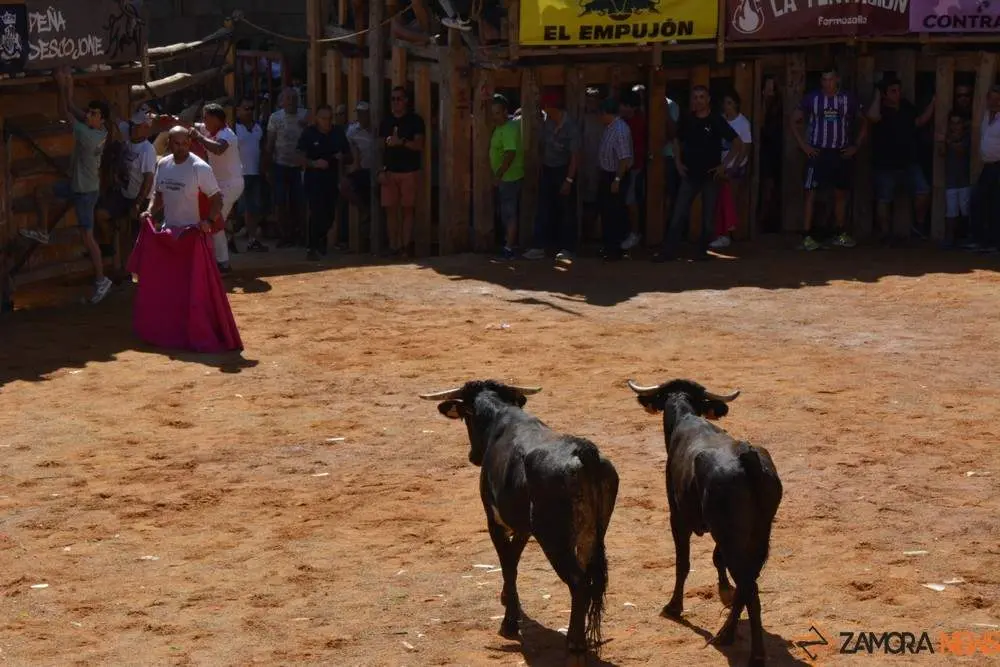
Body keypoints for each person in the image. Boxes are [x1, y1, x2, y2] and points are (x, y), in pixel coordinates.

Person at [26, 66, 112, 304]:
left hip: (85, 192)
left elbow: (64, 109)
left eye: (94, 113)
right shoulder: (98, 129)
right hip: (79, 185)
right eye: (90, 112)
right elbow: (73, 106)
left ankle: (101, 280)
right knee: (42, 192)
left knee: (88, 237)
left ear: (101, 119)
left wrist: (61, 84)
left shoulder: (88, 134)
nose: (90, 114)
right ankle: (43, 230)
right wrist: (68, 82)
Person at [654, 86, 741, 263]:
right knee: (678, 213)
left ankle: (702, 251)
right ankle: (668, 252)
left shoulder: (716, 120)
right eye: (695, 97)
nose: (698, 100)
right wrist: (678, 162)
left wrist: (723, 166)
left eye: (702, 97)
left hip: (710, 175)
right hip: (690, 174)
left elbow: (737, 143)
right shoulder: (687, 119)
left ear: (708, 99)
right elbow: (676, 139)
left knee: (708, 217)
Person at [791, 67, 866, 251]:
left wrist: (855, 146)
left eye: (830, 79)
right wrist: (804, 145)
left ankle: (839, 233)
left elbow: (864, 121)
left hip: (840, 152)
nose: (827, 84)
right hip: (818, 152)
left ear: (837, 80)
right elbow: (793, 119)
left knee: (840, 193)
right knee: (811, 192)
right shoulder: (813, 98)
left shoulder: (847, 99)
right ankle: (807, 236)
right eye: (824, 80)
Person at [866, 76, 934, 245]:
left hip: (909, 162)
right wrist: (877, 95)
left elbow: (919, 122)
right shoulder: (879, 108)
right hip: (885, 164)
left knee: (923, 191)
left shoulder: (906, 107)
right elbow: (872, 117)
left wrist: (934, 103)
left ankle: (918, 226)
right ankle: (885, 234)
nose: (897, 94)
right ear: (884, 94)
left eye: (898, 90)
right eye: (893, 91)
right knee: (884, 199)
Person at [524, 88, 578, 262]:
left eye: (546, 107)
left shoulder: (571, 126)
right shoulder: (546, 122)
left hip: (564, 170)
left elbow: (576, 156)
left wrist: (568, 180)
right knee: (543, 209)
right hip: (548, 169)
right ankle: (539, 246)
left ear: (553, 107)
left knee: (566, 211)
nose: (545, 110)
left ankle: (567, 249)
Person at [191, 103, 243, 272]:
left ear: (214, 119)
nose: (203, 121)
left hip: (230, 185)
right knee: (215, 220)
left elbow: (219, 149)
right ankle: (218, 261)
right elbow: (188, 125)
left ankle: (222, 263)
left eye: (205, 118)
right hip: (219, 185)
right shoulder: (208, 130)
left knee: (216, 220)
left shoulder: (227, 134)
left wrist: (198, 137)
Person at [297, 104, 352, 260]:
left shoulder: (338, 133)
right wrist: (314, 163)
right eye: (323, 118)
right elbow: (298, 156)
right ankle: (312, 247)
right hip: (314, 178)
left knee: (329, 215)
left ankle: (321, 238)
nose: (326, 122)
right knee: (316, 211)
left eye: (329, 118)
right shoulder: (309, 133)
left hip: (332, 178)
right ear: (316, 119)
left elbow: (349, 156)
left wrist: (342, 157)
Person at [96, 108, 157, 244]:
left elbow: (148, 179)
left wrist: (138, 203)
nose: (133, 128)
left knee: (138, 237)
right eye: (132, 125)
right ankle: (109, 244)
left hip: (140, 198)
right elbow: (115, 118)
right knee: (101, 214)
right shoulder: (128, 136)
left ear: (146, 128)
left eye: (137, 126)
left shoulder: (147, 150)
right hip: (125, 194)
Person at [379, 85, 426, 258]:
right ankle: (393, 246)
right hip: (390, 172)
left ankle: (405, 247)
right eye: (393, 99)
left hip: (409, 172)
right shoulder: (386, 121)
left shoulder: (415, 121)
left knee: (408, 210)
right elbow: (379, 147)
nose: (395, 102)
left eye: (399, 98)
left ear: (406, 101)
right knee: (390, 210)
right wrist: (380, 170)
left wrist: (402, 142)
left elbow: (419, 145)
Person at [265, 88, 309, 247]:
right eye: (288, 98)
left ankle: (301, 233)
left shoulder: (305, 115)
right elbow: (270, 143)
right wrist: (268, 167)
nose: (291, 101)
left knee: (300, 201)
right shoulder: (275, 118)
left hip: (300, 166)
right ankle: (285, 234)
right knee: (280, 201)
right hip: (280, 164)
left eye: (294, 98)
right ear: (281, 102)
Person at [710, 91, 753, 250]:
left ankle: (727, 235)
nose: (726, 106)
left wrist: (734, 168)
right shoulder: (720, 120)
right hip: (720, 166)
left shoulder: (743, 123)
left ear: (735, 104)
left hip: (735, 168)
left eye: (729, 103)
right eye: (724, 103)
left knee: (729, 201)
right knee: (719, 201)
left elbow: (745, 148)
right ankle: (720, 233)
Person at [596, 97, 632, 261]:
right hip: (606, 174)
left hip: (616, 175)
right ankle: (609, 246)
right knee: (607, 212)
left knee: (615, 213)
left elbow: (624, 158)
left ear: (605, 113)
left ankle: (615, 250)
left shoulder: (620, 130)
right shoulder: (609, 127)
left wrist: (617, 179)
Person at [488, 94, 524, 261]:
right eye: (492, 113)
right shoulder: (501, 126)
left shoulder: (508, 128)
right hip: (505, 178)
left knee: (509, 213)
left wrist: (499, 174)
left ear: (505, 112)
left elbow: (510, 154)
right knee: (505, 213)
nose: (494, 116)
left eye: (497, 112)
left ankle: (509, 248)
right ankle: (507, 244)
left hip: (509, 178)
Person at [235, 97, 268, 252]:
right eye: (245, 108)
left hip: (255, 173)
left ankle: (251, 239)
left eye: (251, 108)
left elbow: (263, 149)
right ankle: (237, 238)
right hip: (238, 174)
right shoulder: (233, 128)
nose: (249, 111)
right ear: (238, 110)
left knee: (254, 208)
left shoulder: (258, 128)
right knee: (240, 208)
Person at [970, 85, 1000, 254]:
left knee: (996, 205)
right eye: (992, 98)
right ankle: (983, 240)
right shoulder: (987, 115)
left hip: (998, 165)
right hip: (988, 166)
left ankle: (995, 244)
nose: (995, 102)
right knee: (980, 202)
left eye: (998, 99)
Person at [343, 101, 375, 244]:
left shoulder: (376, 129)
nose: (361, 116)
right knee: (344, 186)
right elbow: (348, 150)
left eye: (364, 113)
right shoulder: (352, 130)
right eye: (359, 113)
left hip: (376, 170)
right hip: (361, 170)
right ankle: (364, 211)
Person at [938, 111, 971, 248]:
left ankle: (965, 238)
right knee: (951, 211)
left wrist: (947, 140)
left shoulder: (968, 137)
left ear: (963, 125)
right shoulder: (949, 137)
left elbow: (961, 150)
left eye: (958, 123)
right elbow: (941, 152)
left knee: (965, 210)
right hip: (951, 180)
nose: (955, 126)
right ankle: (950, 239)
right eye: (952, 123)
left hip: (965, 181)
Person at [620, 89, 647, 251]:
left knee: (632, 201)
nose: (622, 108)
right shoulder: (623, 122)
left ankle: (635, 233)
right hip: (624, 168)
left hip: (635, 168)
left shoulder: (639, 123)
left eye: (625, 106)